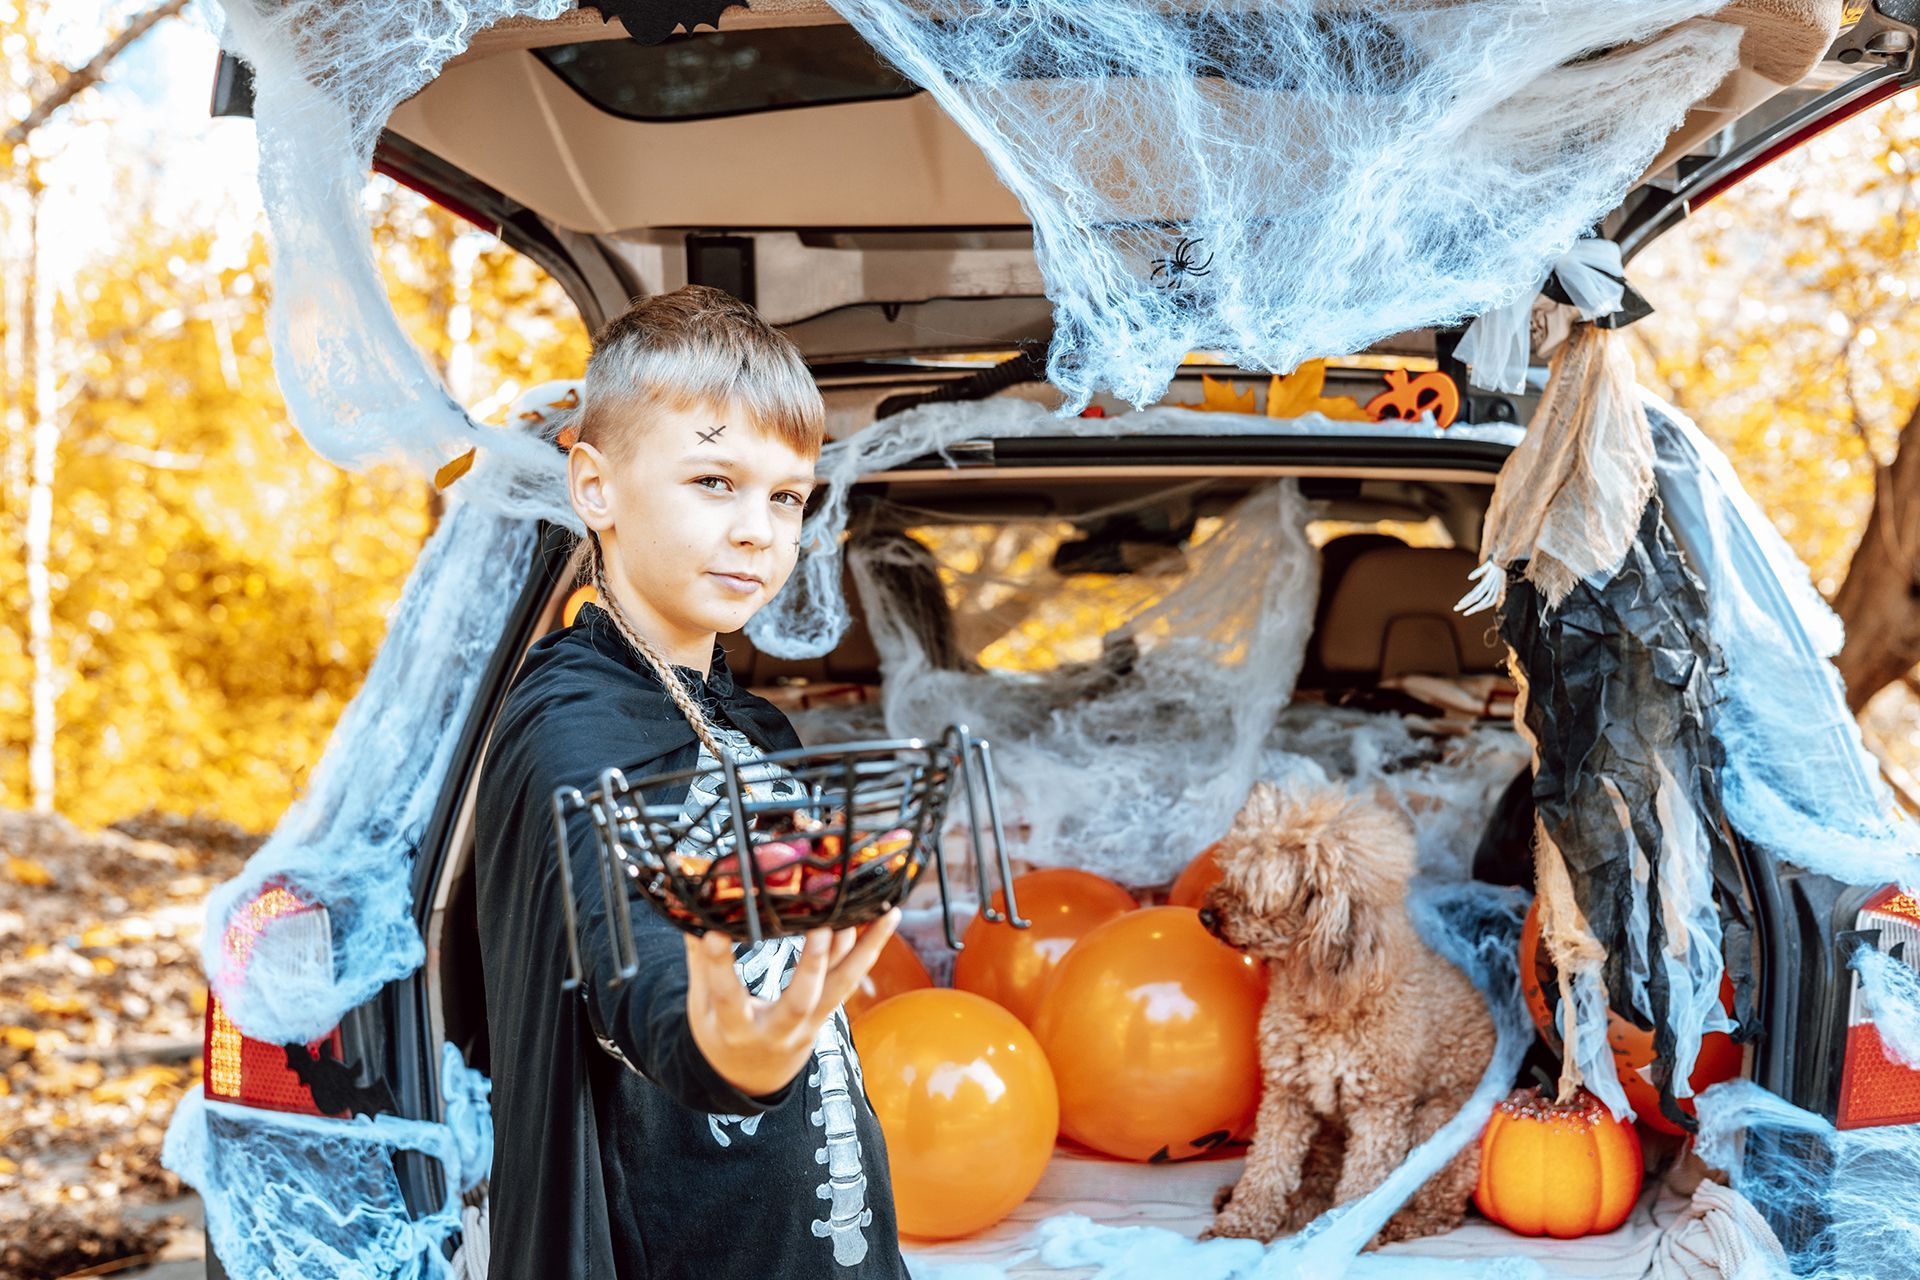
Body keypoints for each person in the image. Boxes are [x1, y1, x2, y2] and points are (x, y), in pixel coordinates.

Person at [474, 286, 911, 1279]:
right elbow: (625, 938)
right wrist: (727, 1052)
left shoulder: (752, 722)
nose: (758, 529)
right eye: (714, 480)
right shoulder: (571, 723)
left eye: (786, 494)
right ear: (597, 487)